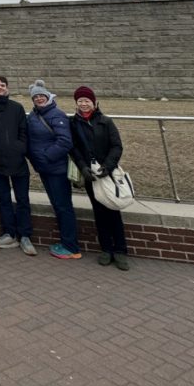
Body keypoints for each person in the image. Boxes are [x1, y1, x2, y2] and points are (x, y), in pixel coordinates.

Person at [70, 86, 130, 271]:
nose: (83, 103)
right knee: (98, 211)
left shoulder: (106, 121)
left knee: (113, 209)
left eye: (86, 100)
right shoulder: (73, 123)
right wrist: (83, 167)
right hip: (90, 174)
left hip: (107, 173)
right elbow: (74, 149)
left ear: (93, 102)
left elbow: (117, 146)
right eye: (80, 101)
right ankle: (106, 249)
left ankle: (120, 251)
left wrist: (108, 166)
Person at [0, 75, 36, 256]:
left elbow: (23, 132)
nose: (0, 87)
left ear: (7, 87)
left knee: (22, 199)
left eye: (2, 85)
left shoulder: (17, 108)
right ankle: (9, 232)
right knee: (3, 199)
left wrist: (19, 148)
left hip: (17, 161)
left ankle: (25, 235)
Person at [26, 79, 81, 259]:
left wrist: (45, 156)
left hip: (56, 169)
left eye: (42, 96)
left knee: (63, 206)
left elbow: (65, 142)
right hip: (44, 169)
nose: (39, 99)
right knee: (58, 205)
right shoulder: (34, 115)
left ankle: (71, 246)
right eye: (36, 97)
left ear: (48, 96)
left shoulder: (56, 115)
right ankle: (67, 242)